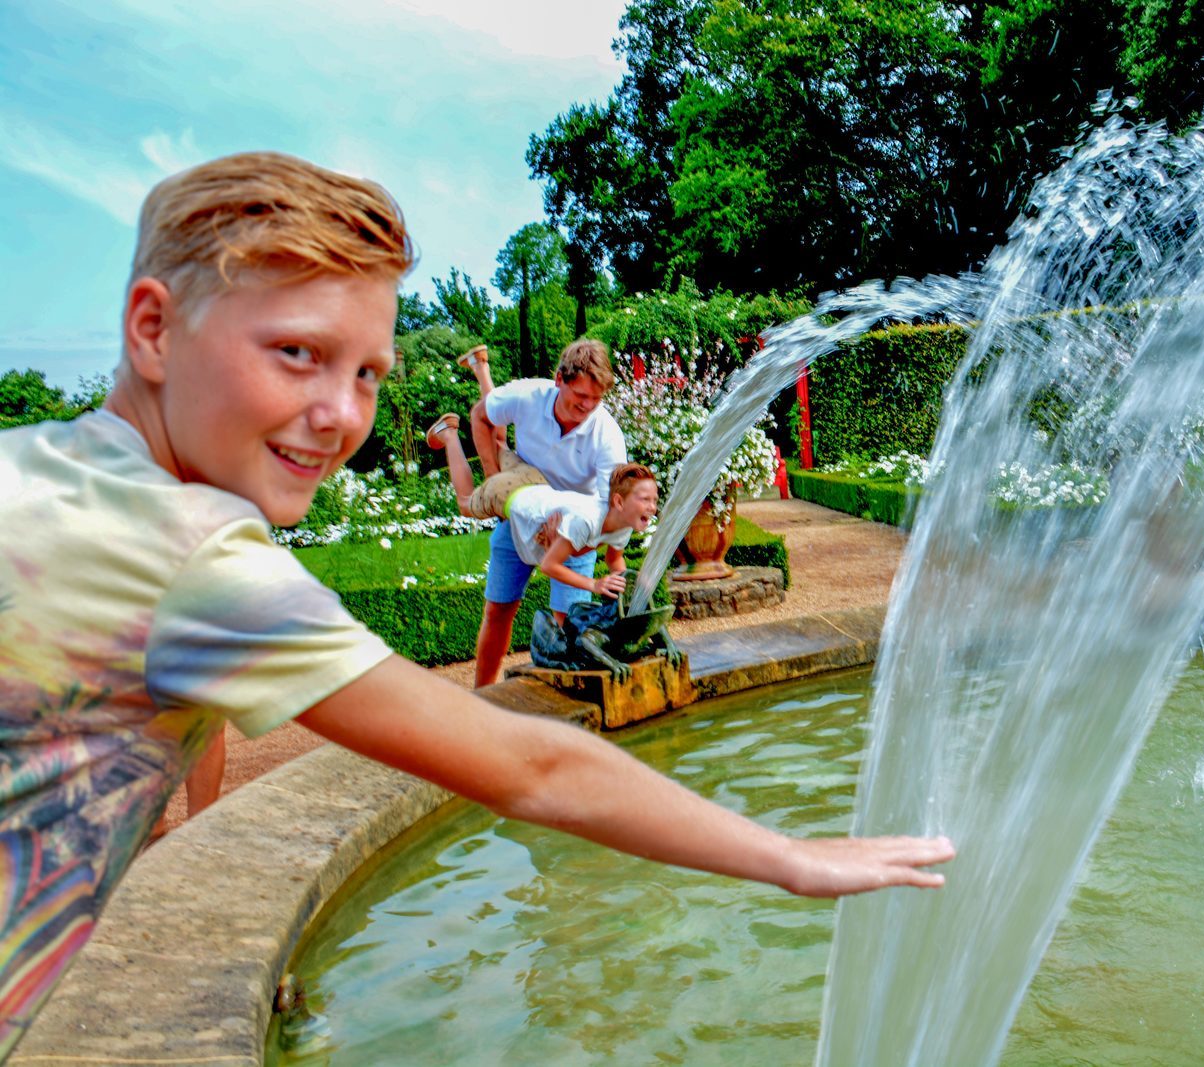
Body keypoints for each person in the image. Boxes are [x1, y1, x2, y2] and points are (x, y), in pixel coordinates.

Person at [0, 151, 954, 1056]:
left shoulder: (48, 471)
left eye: (367, 372)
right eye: (297, 352)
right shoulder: (193, 558)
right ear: (153, 329)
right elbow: (530, 765)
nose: (341, 414)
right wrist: (790, 857)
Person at [470, 340, 625, 687]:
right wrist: (494, 482)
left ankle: (561, 715)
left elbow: (609, 514)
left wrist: (570, 540)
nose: (587, 407)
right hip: (519, 518)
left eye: (595, 399)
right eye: (580, 396)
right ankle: (481, 698)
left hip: (572, 531)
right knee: (497, 612)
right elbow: (480, 416)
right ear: (559, 379)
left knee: (566, 628)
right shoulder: (527, 397)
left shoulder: (608, 436)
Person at [427, 399, 653, 626]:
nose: (653, 507)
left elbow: (615, 560)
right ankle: (449, 434)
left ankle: (482, 369)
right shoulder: (586, 522)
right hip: (508, 494)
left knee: (499, 444)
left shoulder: (622, 524)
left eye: (654, 500)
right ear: (619, 502)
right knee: (466, 504)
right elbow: (549, 565)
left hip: (536, 482)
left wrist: (634, 593)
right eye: (645, 500)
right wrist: (594, 584)